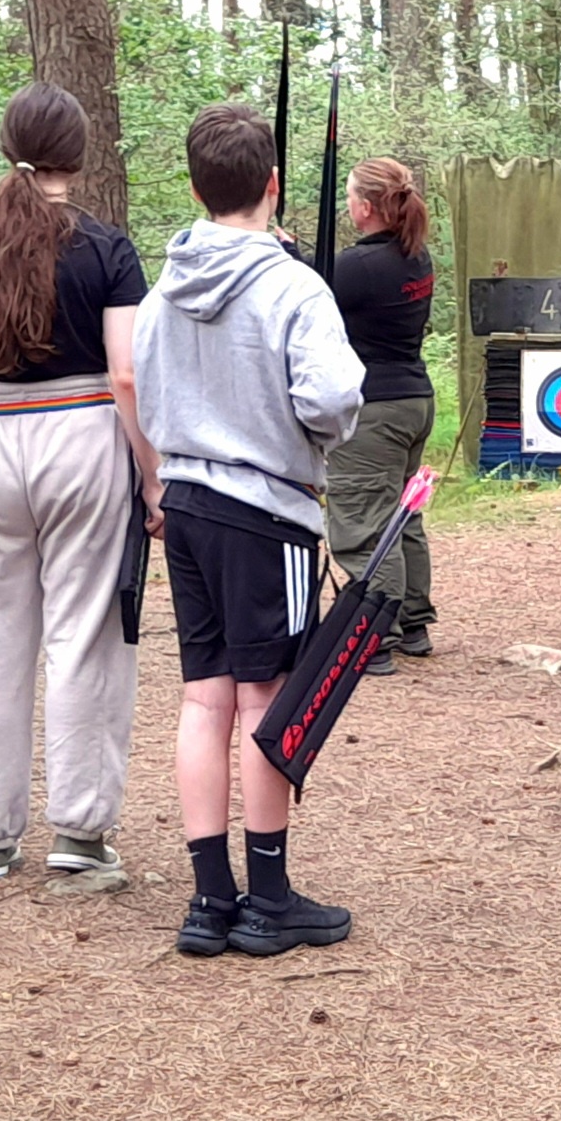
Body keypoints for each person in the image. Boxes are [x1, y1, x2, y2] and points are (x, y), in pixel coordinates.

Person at [135, 102, 365, 956]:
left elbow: (143, 384)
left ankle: (209, 898)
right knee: (267, 697)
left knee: (206, 696)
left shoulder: (163, 287)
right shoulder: (292, 286)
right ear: (272, 184)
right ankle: (266, 898)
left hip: (188, 504)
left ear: (196, 188)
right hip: (266, 513)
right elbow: (333, 397)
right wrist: (307, 437)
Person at [0, 83, 161, 882]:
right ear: (78, 155)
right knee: (83, 634)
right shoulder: (106, 248)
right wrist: (151, 476)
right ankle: (80, 831)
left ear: (8, 147)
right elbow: (126, 375)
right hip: (83, 434)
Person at [323, 157, 438, 674]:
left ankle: (375, 635)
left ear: (366, 208)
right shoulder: (414, 255)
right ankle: (411, 622)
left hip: (375, 412)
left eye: (350, 197)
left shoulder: (359, 266)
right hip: (413, 402)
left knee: (363, 524)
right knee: (399, 516)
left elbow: (310, 290)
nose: (348, 205)